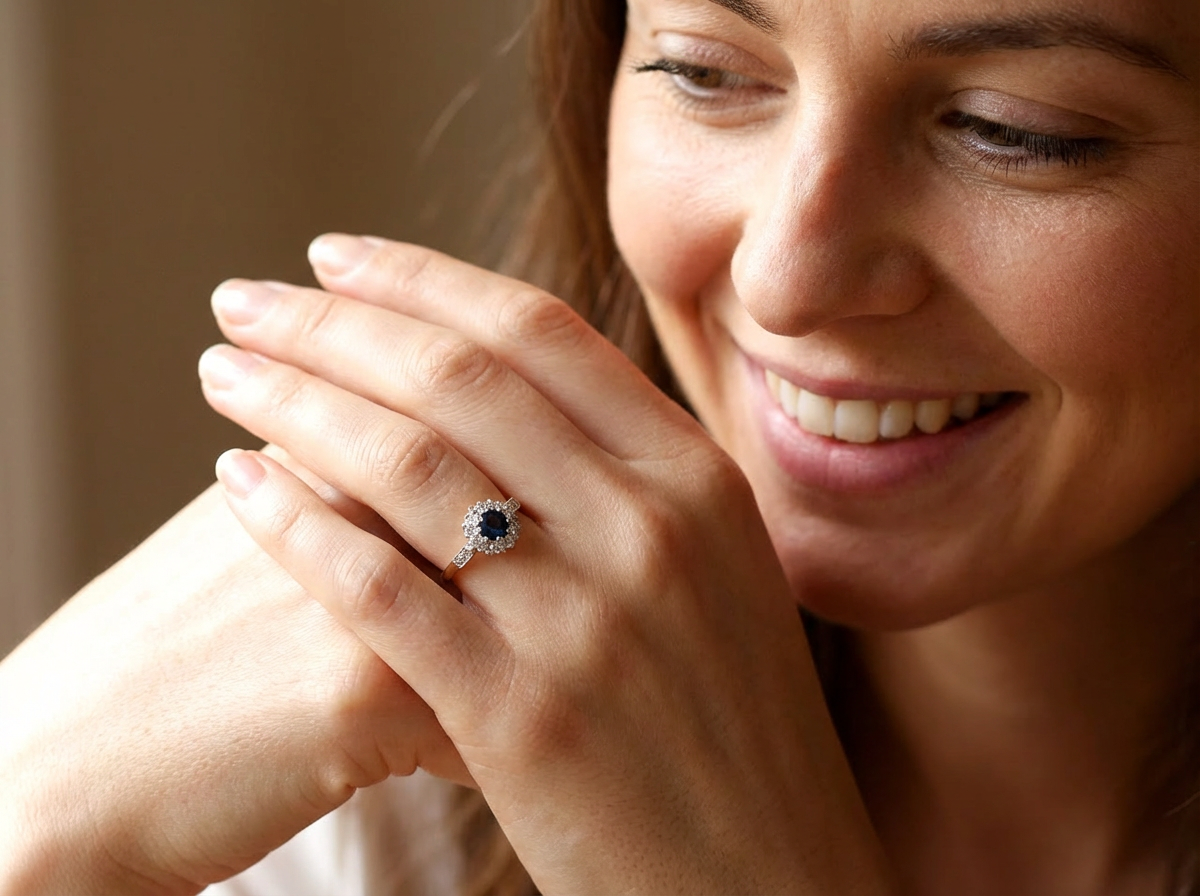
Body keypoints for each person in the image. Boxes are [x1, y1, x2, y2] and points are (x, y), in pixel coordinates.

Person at [1, 0, 1196, 892]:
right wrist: (34, 777)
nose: (786, 275)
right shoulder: (381, 780)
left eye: (1017, 132)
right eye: (704, 70)